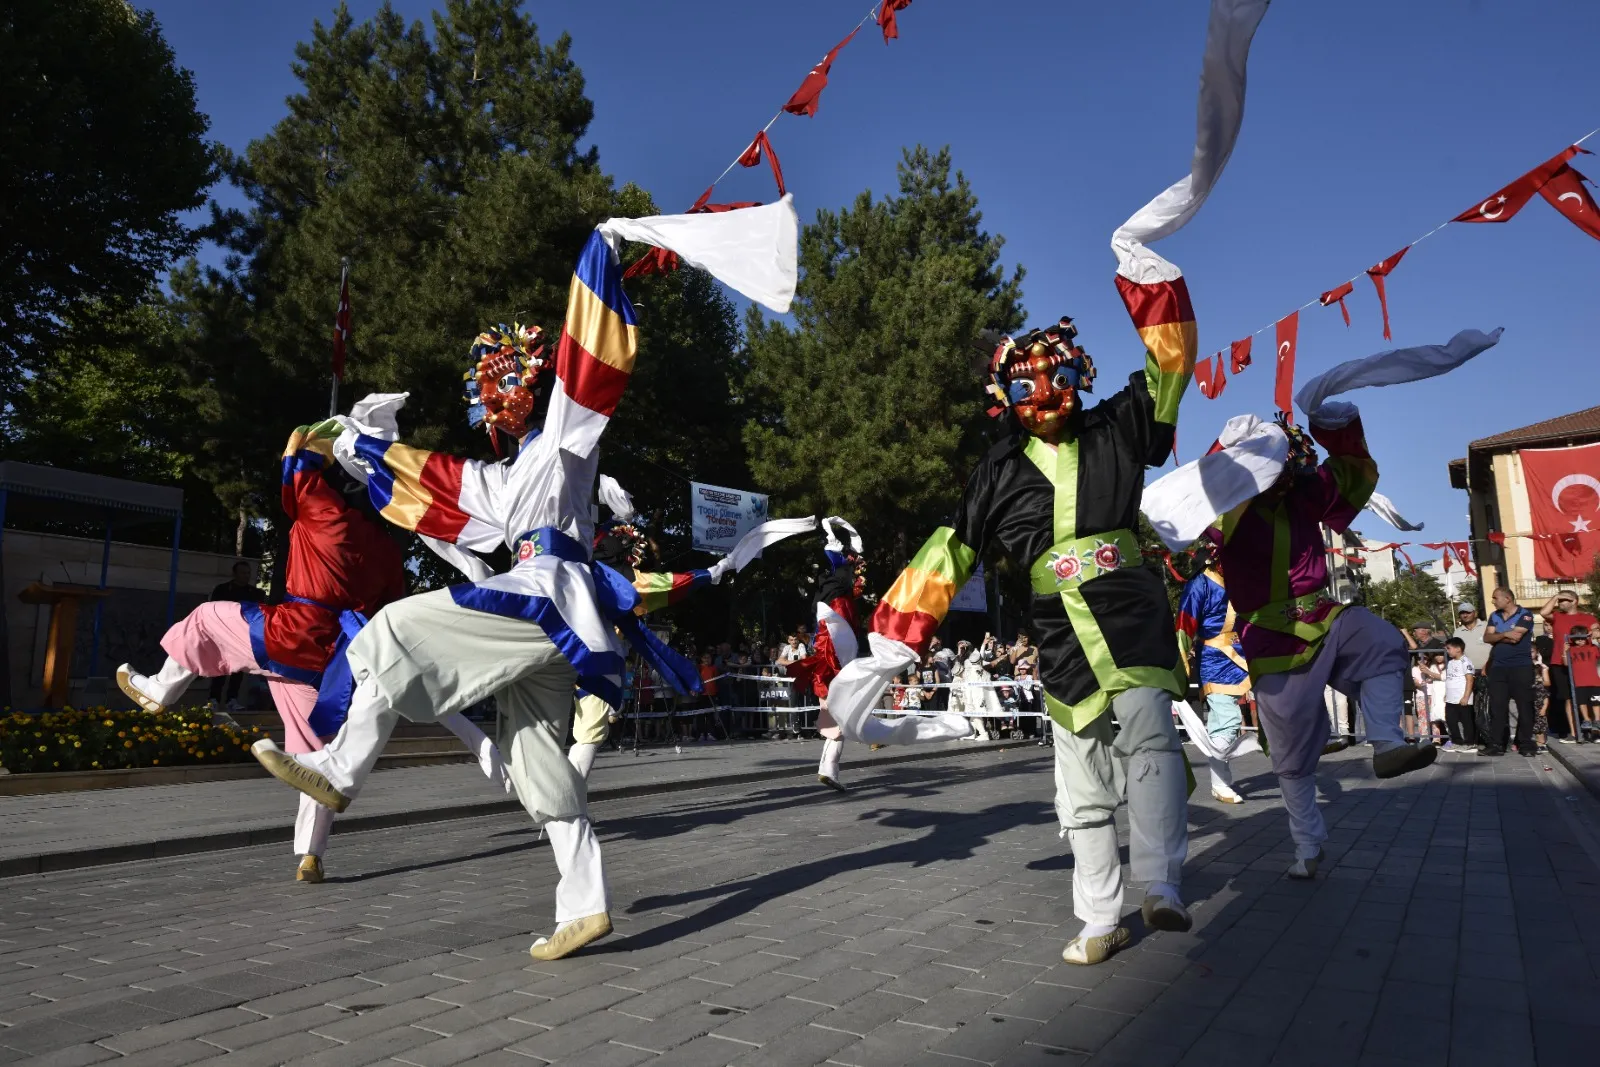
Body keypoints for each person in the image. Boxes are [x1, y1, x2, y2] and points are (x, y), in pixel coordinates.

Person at [835, 256, 1201, 966]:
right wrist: (895, 638)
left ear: (1079, 377)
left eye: (1059, 380)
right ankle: (1101, 913)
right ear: (1005, 394)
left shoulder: (1118, 427)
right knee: (1079, 778)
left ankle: (1162, 882)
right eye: (1027, 385)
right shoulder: (997, 470)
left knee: (1151, 734)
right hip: (1060, 632)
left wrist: (1148, 272)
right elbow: (951, 549)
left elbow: (1170, 364)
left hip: (1129, 608)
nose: (1047, 396)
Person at [118, 418, 407, 884]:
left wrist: (305, 438)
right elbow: (389, 607)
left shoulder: (325, 514)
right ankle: (309, 856)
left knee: (207, 617)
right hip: (332, 657)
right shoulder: (388, 549)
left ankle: (159, 690)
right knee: (315, 756)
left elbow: (295, 475)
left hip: (290, 631)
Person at [1208, 410, 1438, 880]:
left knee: (1379, 641)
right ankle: (1307, 845)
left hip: (1322, 612)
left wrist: (1337, 423)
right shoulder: (1227, 507)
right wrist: (1229, 447)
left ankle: (1387, 743)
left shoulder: (1303, 492)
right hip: (1270, 636)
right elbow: (1198, 503)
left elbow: (1351, 469)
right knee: (1291, 753)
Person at [788, 518, 867, 791]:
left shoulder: (834, 595)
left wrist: (842, 527)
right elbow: (839, 553)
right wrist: (833, 526)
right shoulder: (838, 587)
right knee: (840, 716)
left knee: (835, 716)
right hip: (835, 656)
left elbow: (852, 550)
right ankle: (832, 765)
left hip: (829, 656)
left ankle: (828, 768)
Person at [1175, 550, 1252, 804]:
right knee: (1226, 720)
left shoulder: (1243, 577)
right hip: (1215, 658)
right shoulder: (1200, 584)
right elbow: (1185, 624)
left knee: (1279, 706)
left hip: (1249, 652)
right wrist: (1181, 663)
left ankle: (1292, 767)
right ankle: (1220, 784)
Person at [1483, 587, 1537, 757]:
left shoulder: (1525, 614)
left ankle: (1526, 743)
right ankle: (1497, 744)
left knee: (1525, 707)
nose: (1492, 601)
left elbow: (1517, 638)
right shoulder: (1494, 616)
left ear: (1507, 598)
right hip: (1498, 668)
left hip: (1521, 667)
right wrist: (1506, 633)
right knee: (1497, 708)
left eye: (1495, 597)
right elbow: (1486, 638)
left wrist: (1497, 636)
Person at [206, 561, 263, 710]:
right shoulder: (223, 590)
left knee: (238, 668)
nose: (246, 576)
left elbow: (259, 614)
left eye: (248, 573)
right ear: (235, 574)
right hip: (223, 634)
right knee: (221, 667)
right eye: (243, 573)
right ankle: (214, 699)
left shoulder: (255, 593)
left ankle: (232, 699)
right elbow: (213, 609)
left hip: (242, 635)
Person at [1541, 590, 1597, 743]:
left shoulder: (1587, 617)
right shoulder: (1557, 616)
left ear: (1574, 601)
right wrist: (1555, 597)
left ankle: (1593, 731)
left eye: (1564, 600)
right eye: (1559, 600)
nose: (1560, 603)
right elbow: (1544, 612)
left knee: (1588, 696)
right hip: (1560, 663)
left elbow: (1596, 631)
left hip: (1582, 663)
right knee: (1568, 698)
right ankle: (1574, 732)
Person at [1441, 637, 1477, 750]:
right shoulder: (1451, 662)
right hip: (1451, 698)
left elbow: (1470, 679)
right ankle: (1457, 741)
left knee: (1467, 721)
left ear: (1458, 649)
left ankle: (1469, 742)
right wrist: (1447, 693)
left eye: (1449, 648)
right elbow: (1450, 679)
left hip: (1462, 698)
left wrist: (1466, 696)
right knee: (1450, 720)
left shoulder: (1466, 662)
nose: (1447, 651)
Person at [1566, 625, 1600, 742]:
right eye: (1577, 639)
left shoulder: (1593, 647)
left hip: (1594, 681)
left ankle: (1597, 720)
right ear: (1573, 639)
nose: (1580, 641)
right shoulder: (1571, 650)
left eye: (1582, 638)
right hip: (1579, 682)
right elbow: (1566, 663)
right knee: (1582, 702)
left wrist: (1595, 638)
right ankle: (1586, 719)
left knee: (1596, 702)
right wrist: (1564, 651)